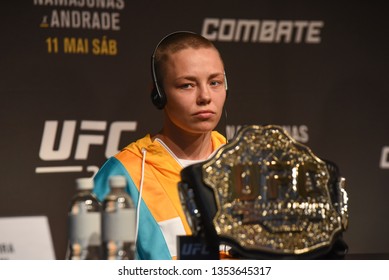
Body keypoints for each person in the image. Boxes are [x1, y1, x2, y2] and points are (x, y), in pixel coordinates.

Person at [93, 31, 228, 260]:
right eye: (187, 85)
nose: (205, 96)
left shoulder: (244, 162)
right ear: (159, 93)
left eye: (215, 82)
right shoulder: (125, 175)